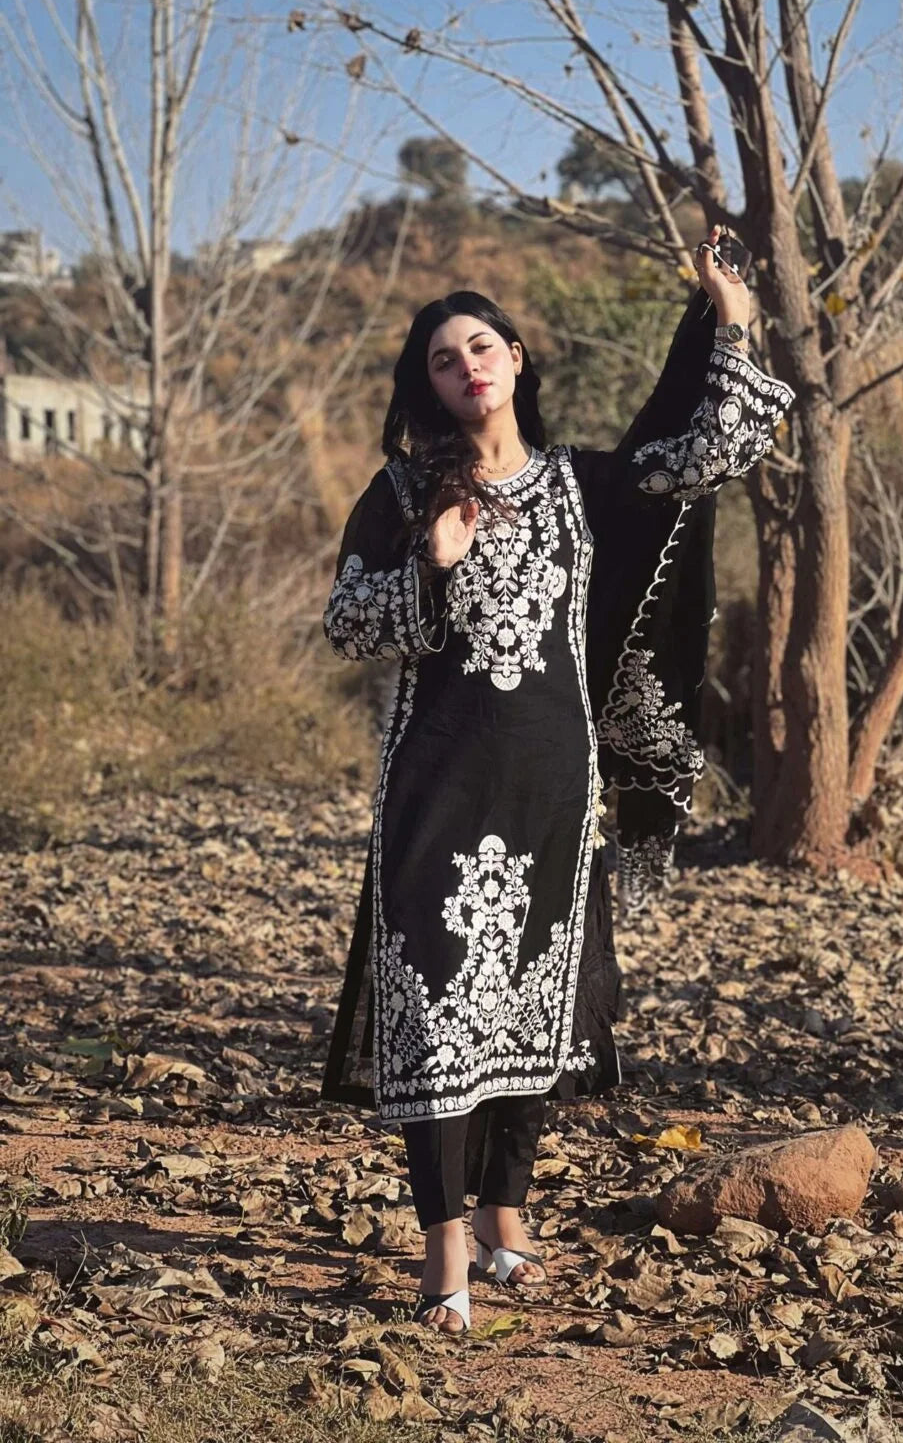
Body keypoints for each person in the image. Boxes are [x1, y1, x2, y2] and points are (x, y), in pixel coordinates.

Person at [319, 225, 795, 1334]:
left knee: (534, 1003)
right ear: (427, 386)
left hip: (552, 787)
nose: (466, 367)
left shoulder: (585, 486)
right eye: (443, 358)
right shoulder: (398, 495)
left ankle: (507, 1223)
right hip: (436, 788)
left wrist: (727, 319)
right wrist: (427, 568)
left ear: (517, 358)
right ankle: (442, 1254)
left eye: (481, 345)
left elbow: (709, 448)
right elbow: (346, 620)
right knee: (437, 1013)